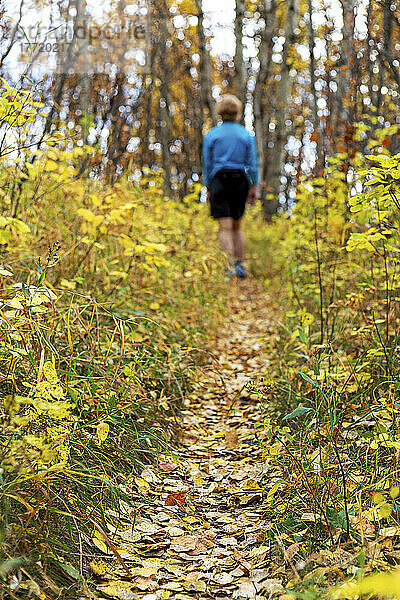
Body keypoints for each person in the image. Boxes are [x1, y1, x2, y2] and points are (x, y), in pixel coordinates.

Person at [202, 94, 259, 279]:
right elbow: (252, 163)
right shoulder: (246, 135)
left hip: (219, 180)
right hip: (240, 181)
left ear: (220, 112)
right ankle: (240, 266)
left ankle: (228, 267)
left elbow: (207, 163)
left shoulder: (212, 134)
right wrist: (253, 186)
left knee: (225, 227)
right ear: (237, 112)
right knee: (237, 226)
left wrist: (208, 186)